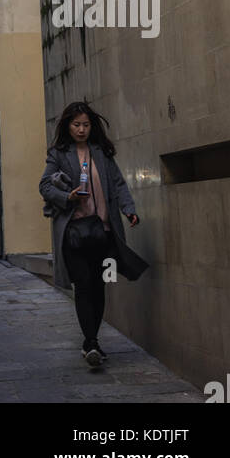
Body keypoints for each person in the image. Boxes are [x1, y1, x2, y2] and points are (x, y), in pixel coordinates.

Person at [39, 100, 147, 369]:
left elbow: (119, 184)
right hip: (74, 234)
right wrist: (68, 196)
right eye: (76, 124)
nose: (81, 129)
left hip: (103, 232)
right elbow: (44, 186)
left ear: (92, 126)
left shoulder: (102, 153)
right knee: (84, 285)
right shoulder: (58, 154)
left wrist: (129, 210)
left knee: (98, 288)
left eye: (86, 124)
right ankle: (90, 342)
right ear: (67, 125)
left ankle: (92, 340)